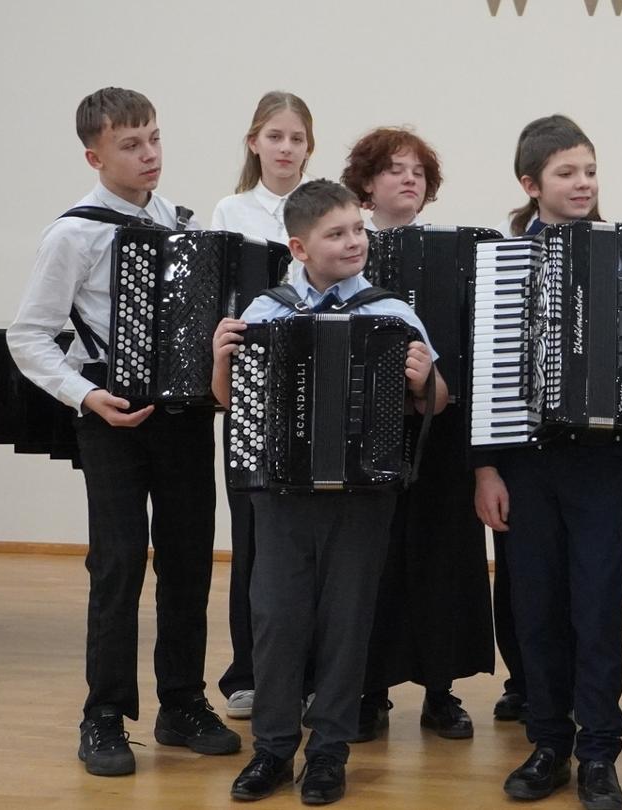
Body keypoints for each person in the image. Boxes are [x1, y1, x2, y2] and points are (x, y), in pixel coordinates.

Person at [6, 86, 237, 778]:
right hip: (111, 418)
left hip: (186, 416)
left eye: (155, 140)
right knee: (117, 565)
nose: (149, 155)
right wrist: (87, 396)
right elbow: (28, 336)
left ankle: (181, 704)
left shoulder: (179, 221)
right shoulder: (73, 233)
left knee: (190, 559)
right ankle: (103, 716)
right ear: (95, 154)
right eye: (131, 145)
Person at [211, 179, 446, 805]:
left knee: (347, 619)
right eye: (336, 234)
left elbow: (436, 400)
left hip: (363, 493)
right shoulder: (267, 311)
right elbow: (232, 403)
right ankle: (271, 748)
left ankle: (329, 751)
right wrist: (217, 360)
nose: (353, 243)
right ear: (299, 246)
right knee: (276, 618)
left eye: (357, 231)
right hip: (280, 496)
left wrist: (426, 381)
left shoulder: (389, 311)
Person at [482, 114, 622, 810]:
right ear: (531, 184)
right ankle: (547, 743)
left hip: (600, 463)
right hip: (527, 464)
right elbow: (491, 374)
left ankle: (598, 751)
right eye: (567, 173)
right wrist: (484, 468)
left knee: (598, 607)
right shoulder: (506, 260)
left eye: (590, 171)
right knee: (535, 606)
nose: (583, 183)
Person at [338, 126, 496, 743]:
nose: (409, 180)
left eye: (419, 173)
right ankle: (367, 690)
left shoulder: (459, 250)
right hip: (363, 436)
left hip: (443, 427)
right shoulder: (346, 248)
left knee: (443, 558)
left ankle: (441, 692)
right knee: (371, 564)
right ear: (367, 182)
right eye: (395, 169)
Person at [208, 89, 316, 721]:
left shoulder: (325, 204)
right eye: (274, 136)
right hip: (250, 396)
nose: (285, 148)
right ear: (254, 143)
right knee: (250, 540)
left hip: (313, 392)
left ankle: (305, 675)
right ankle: (246, 672)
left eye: (297, 138)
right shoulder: (229, 210)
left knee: (306, 544)